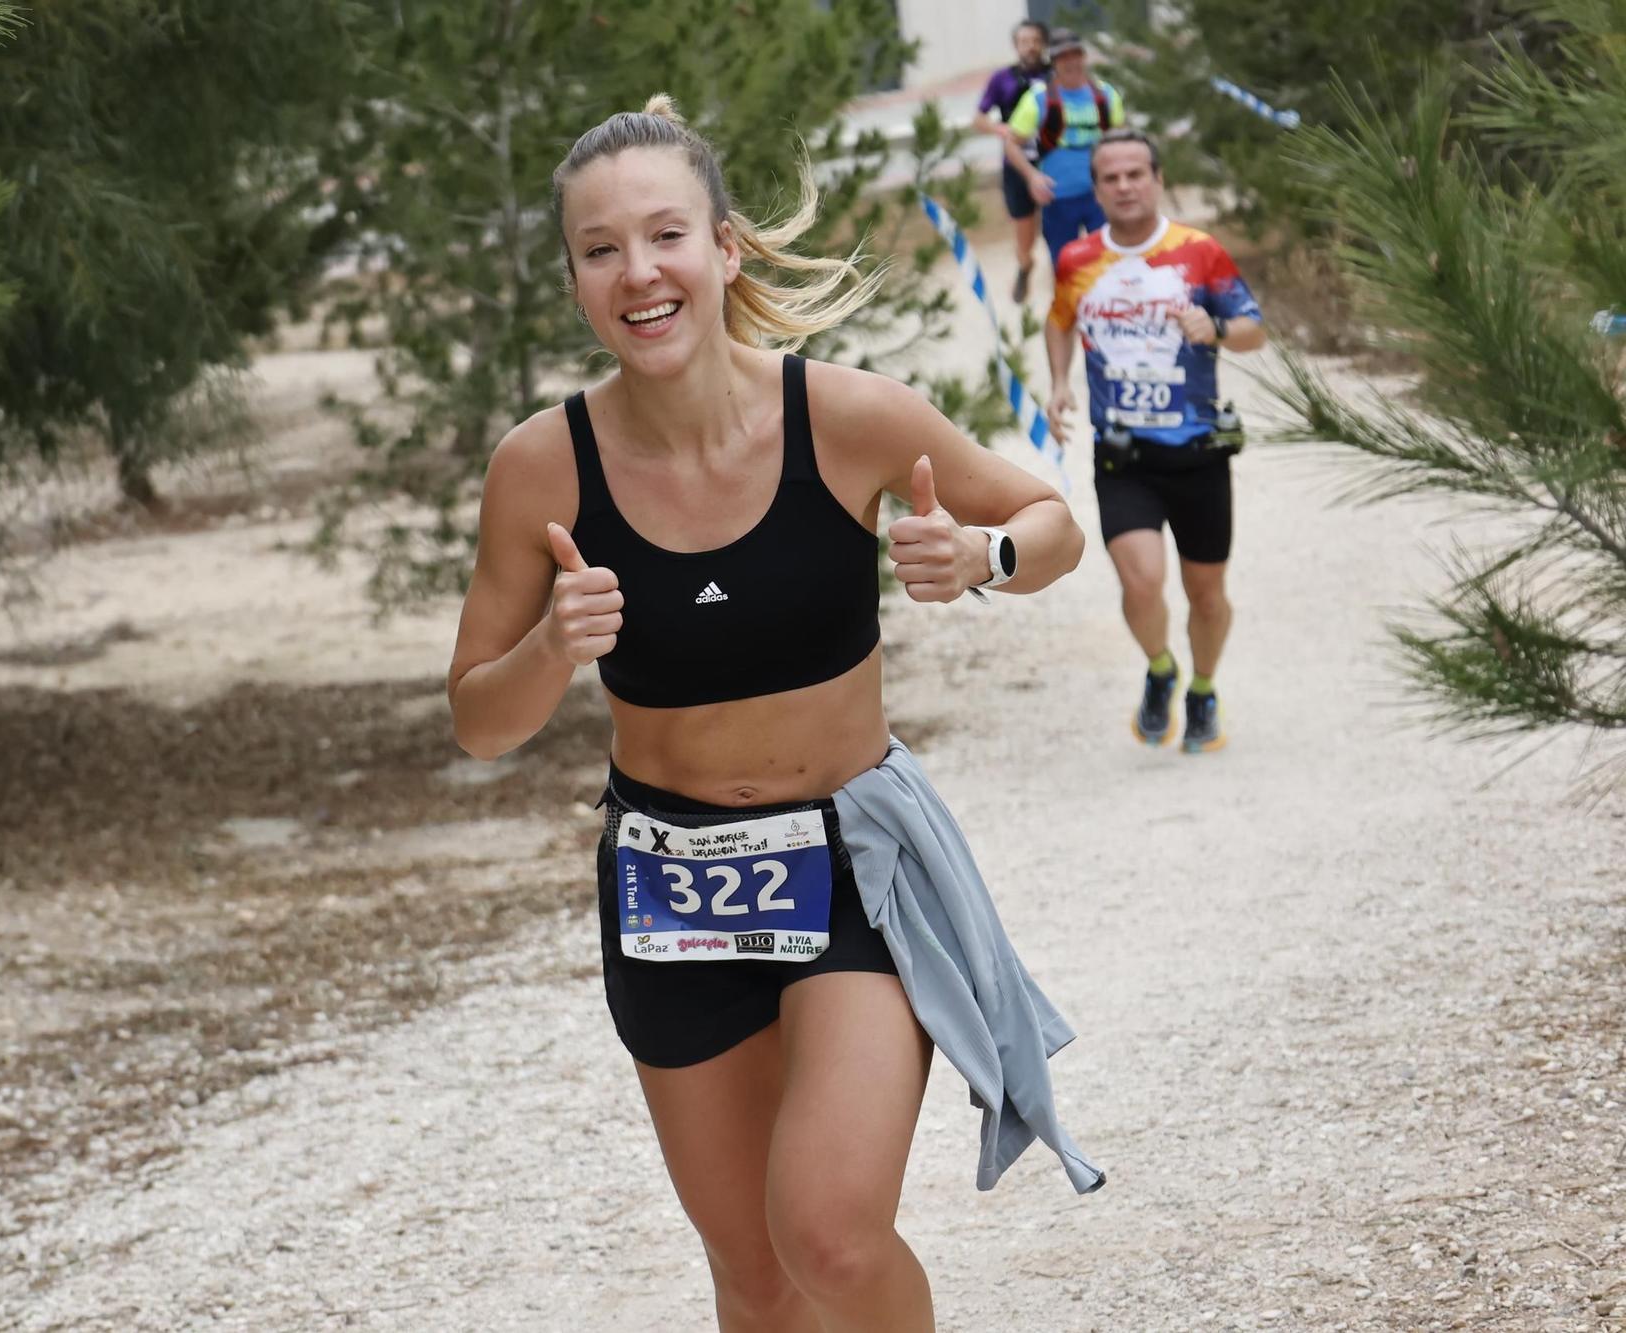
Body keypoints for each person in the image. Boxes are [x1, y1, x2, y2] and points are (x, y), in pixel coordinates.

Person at [447, 95, 1101, 1333]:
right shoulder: (541, 467)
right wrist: (550, 647)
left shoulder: (846, 416)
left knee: (830, 1239)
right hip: (669, 884)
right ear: (576, 278)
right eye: (600, 249)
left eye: (665, 236)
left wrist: (982, 559)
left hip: (850, 864)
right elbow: (479, 718)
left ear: (724, 249)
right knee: (753, 1280)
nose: (636, 272)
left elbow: (1048, 520)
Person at [1043, 129, 1268, 753]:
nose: (1124, 186)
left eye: (1135, 174)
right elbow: (1058, 320)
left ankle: (1201, 688)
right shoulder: (1077, 259)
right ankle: (1160, 669)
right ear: (1097, 189)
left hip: (1198, 453)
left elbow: (1255, 330)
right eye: (1111, 178)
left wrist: (1217, 326)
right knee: (1139, 582)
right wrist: (1059, 384)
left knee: (1206, 593)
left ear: (1157, 178)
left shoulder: (1200, 253)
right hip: (1125, 456)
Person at [1003, 29, 1123, 268]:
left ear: (1083, 56)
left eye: (1075, 54)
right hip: (1058, 199)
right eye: (1063, 57)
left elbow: (1120, 140)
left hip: (1100, 196)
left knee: (1111, 262)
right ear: (1054, 62)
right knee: (1065, 266)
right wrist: (1032, 177)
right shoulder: (1038, 98)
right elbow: (1011, 144)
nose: (1071, 62)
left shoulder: (1105, 95)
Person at [972, 19, 1052, 303]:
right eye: (1024, 41)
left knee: (1058, 224)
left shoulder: (1056, 76)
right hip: (1017, 165)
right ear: (1016, 45)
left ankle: (1061, 274)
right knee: (1024, 228)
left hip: (1052, 161)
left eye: (1035, 40)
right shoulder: (1002, 79)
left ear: (1043, 43)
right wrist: (1000, 129)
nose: (1030, 46)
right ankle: (1025, 265)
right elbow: (979, 118)